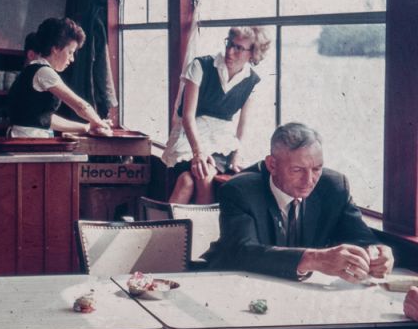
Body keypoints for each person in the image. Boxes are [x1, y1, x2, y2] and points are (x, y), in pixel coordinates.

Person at [204, 122, 394, 281]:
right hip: (232, 281)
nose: (309, 180)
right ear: (272, 165)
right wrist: (314, 259)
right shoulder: (240, 190)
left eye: (317, 169)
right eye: (297, 170)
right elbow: (242, 252)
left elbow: (361, 237)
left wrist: (377, 253)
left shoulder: (334, 186)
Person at [162, 27, 271, 204]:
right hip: (189, 138)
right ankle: (170, 224)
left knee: (204, 178)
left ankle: (194, 225)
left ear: (253, 53)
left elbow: (243, 125)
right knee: (186, 182)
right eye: (229, 44)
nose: (230, 51)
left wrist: (237, 154)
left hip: (221, 142)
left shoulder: (252, 81)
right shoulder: (201, 66)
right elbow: (188, 116)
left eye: (238, 48)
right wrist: (198, 153)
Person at [7, 17, 112, 138]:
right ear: (56, 49)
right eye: (70, 52)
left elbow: (42, 119)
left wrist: (86, 127)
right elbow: (80, 106)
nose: (72, 59)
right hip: (28, 142)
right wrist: (100, 123)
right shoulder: (44, 72)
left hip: (24, 139)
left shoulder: (34, 69)